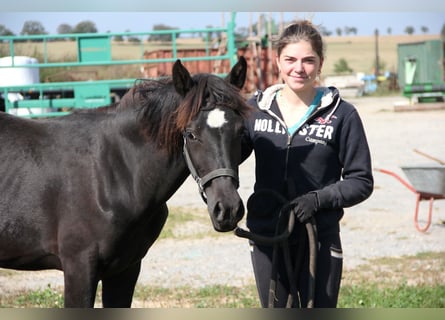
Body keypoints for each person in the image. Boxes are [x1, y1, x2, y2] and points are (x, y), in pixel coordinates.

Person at [240, 20, 374, 308]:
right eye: (290, 59)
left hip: (320, 236)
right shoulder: (254, 111)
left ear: (320, 63)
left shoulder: (343, 115)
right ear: (277, 61)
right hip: (268, 234)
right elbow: (225, 157)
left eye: (308, 60)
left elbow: (361, 181)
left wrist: (318, 199)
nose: (298, 68)